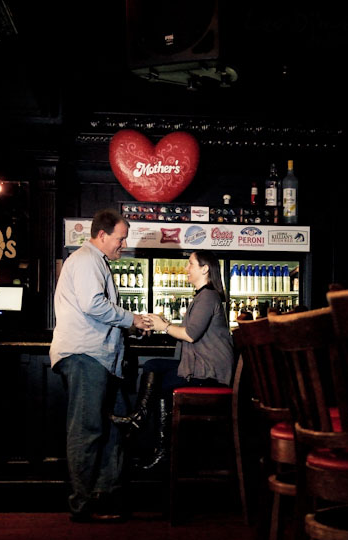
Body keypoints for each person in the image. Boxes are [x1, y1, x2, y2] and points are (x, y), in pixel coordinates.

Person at [50, 208, 152, 522]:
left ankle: (104, 498)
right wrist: (132, 319)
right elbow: (93, 304)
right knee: (88, 430)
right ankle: (82, 505)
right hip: (86, 356)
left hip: (98, 358)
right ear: (102, 235)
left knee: (108, 428)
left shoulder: (95, 262)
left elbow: (98, 308)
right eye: (120, 239)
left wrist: (129, 325)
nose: (124, 244)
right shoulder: (85, 260)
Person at [111, 250, 234, 469]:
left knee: (160, 381)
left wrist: (164, 327)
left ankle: (158, 445)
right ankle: (142, 422)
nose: (186, 268)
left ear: (205, 269)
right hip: (199, 366)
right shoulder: (204, 296)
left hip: (209, 372)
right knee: (153, 366)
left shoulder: (208, 296)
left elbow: (190, 334)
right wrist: (163, 322)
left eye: (190, 264)